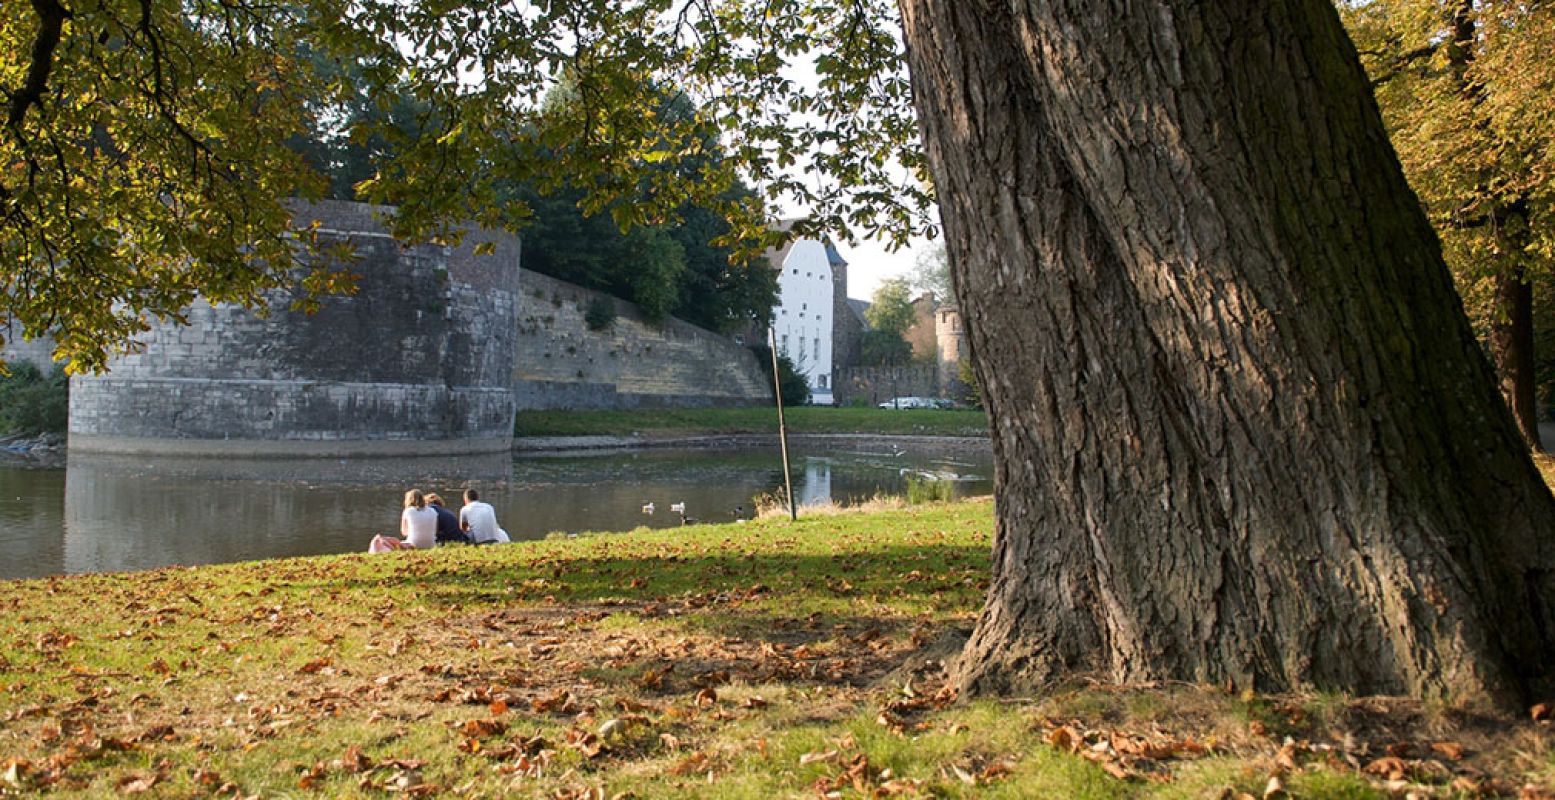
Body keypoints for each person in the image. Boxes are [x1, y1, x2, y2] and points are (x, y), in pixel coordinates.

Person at [370, 489, 438, 552]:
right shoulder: (433, 511)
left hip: (413, 544)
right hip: (431, 545)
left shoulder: (408, 511)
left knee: (380, 540)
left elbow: (404, 532)